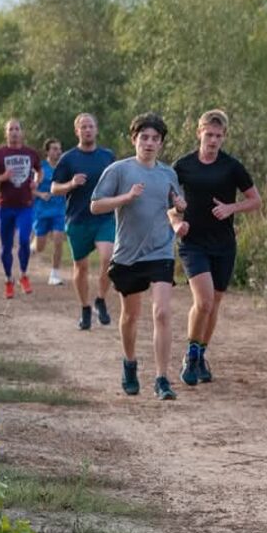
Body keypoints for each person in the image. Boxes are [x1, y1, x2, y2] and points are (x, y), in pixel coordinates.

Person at [90, 112, 188, 401]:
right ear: (134, 139)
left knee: (162, 312)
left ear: (161, 143)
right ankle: (130, 363)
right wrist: (125, 198)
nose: (149, 143)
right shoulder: (119, 170)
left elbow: (171, 208)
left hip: (160, 251)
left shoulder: (168, 174)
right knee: (131, 316)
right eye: (144, 137)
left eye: (155, 139)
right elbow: (95, 206)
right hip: (128, 255)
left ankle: (162, 378)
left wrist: (179, 208)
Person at [173, 109, 261, 386]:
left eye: (218, 136)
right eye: (208, 134)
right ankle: (190, 355)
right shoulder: (183, 166)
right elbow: (169, 203)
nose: (213, 140)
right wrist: (176, 223)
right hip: (193, 242)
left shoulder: (231, 166)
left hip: (223, 244)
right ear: (199, 133)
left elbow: (255, 200)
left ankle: (200, 355)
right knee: (204, 301)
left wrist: (231, 207)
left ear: (224, 137)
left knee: (214, 305)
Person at [51, 114, 116, 329]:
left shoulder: (108, 156)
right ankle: (85, 308)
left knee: (108, 257)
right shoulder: (68, 159)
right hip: (78, 218)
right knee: (81, 266)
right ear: (77, 131)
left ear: (96, 130)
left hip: (104, 217)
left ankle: (100, 299)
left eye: (91, 126)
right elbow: (54, 189)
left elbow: (118, 182)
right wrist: (70, 184)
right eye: (83, 127)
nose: (87, 130)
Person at [0, 119, 42, 299]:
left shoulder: (30, 153)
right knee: (6, 246)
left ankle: (24, 275)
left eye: (17, 129)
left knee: (24, 240)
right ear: (6, 133)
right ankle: (9, 279)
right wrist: (3, 177)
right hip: (6, 206)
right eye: (11, 129)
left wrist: (36, 182)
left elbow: (39, 170)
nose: (14, 132)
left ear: (22, 133)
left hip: (25, 206)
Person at [33, 138, 68, 286]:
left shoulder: (65, 167)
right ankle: (33, 246)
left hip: (59, 210)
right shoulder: (40, 168)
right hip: (42, 211)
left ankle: (54, 274)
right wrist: (41, 195)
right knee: (40, 247)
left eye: (59, 148)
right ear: (47, 151)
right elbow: (30, 188)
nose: (58, 151)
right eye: (54, 149)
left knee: (58, 239)